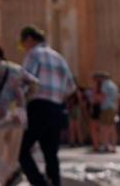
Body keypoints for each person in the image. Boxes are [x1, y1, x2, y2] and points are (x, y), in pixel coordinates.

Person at [17, 26, 76, 186]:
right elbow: (71, 87)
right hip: (56, 108)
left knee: (20, 149)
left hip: (38, 106)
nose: (23, 48)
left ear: (29, 39)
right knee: (51, 153)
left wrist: (17, 99)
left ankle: (39, 183)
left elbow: (26, 79)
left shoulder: (34, 54)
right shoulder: (59, 58)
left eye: (22, 44)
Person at [0, 42, 39, 186]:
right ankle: (11, 177)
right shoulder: (17, 68)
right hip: (19, 114)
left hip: (0, 114)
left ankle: (10, 177)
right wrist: (23, 100)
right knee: (11, 157)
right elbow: (35, 84)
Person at [94, 72, 118, 153]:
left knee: (104, 127)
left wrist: (95, 99)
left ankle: (105, 145)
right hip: (113, 107)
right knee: (112, 127)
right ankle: (113, 146)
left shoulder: (105, 84)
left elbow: (102, 96)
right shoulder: (114, 85)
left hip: (106, 107)